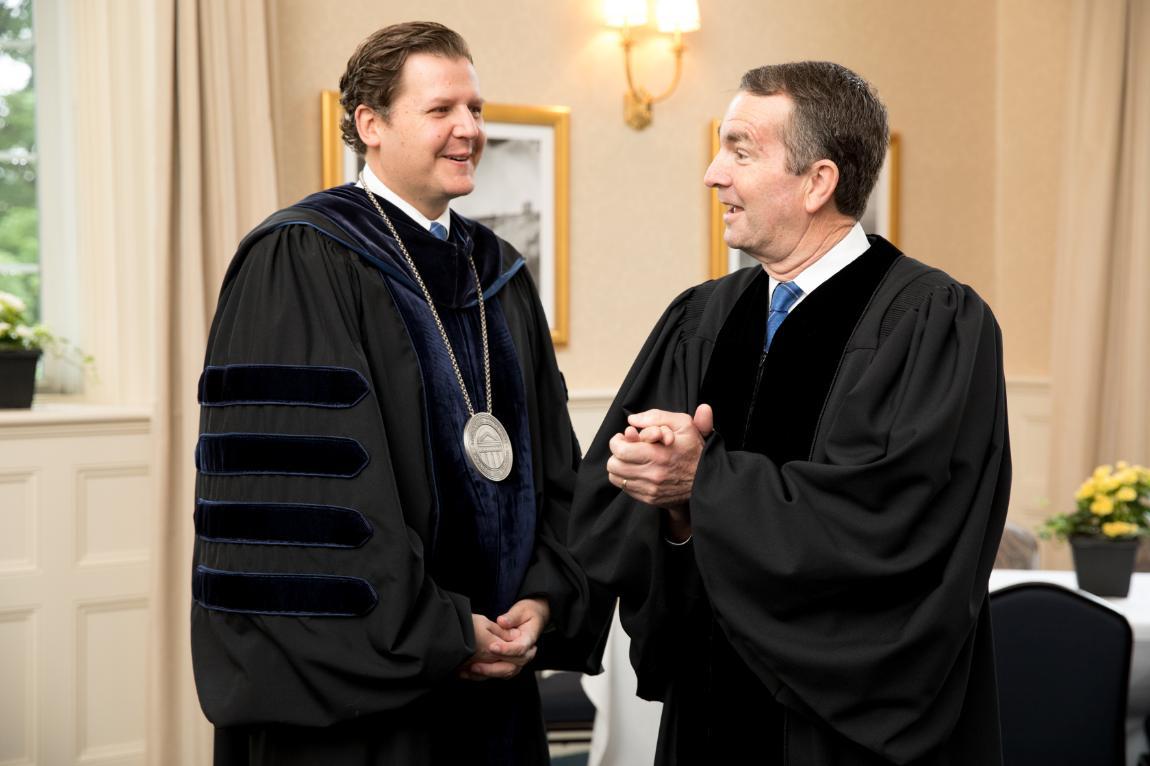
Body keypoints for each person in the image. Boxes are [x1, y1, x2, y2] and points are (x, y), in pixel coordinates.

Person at [570, 61, 1011, 765]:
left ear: (818, 182)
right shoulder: (704, 317)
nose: (714, 174)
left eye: (740, 151)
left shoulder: (933, 323)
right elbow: (615, 514)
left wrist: (703, 483)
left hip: (841, 732)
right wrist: (674, 510)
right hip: (710, 705)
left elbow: (896, 521)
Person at [191, 21, 599, 766]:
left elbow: (553, 465)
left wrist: (543, 600)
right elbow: (308, 507)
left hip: (499, 682)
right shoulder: (301, 257)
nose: (469, 129)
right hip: (369, 709)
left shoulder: (496, 269)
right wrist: (443, 631)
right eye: (441, 110)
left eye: (475, 109)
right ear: (370, 126)